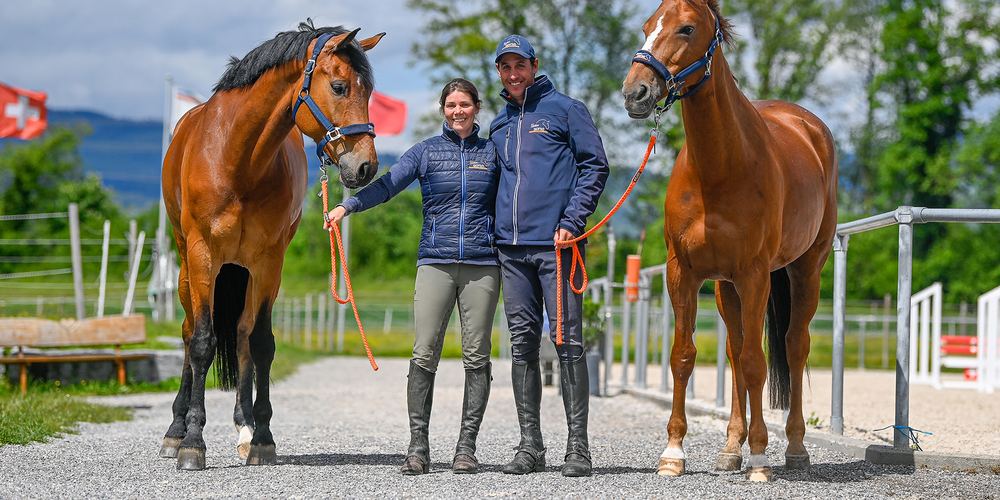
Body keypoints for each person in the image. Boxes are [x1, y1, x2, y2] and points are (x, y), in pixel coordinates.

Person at [325, 78, 500, 475]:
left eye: (465, 104)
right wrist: (348, 206)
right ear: (443, 109)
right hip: (434, 263)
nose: (458, 111)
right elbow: (387, 186)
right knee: (424, 354)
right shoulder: (425, 152)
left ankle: (466, 449)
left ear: (477, 107)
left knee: (477, 356)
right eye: (451, 105)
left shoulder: (492, 153)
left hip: (482, 264)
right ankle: (417, 446)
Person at [489, 35, 610, 477]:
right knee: (521, 344)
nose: (513, 73)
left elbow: (595, 165)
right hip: (511, 252)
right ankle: (530, 446)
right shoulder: (499, 123)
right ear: (499, 72)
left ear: (534, 66)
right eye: (505, 67)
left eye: (520, 65)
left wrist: (573, 220)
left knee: (568, 342)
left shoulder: (565, 109)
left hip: (557, 248)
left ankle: (578, 448)